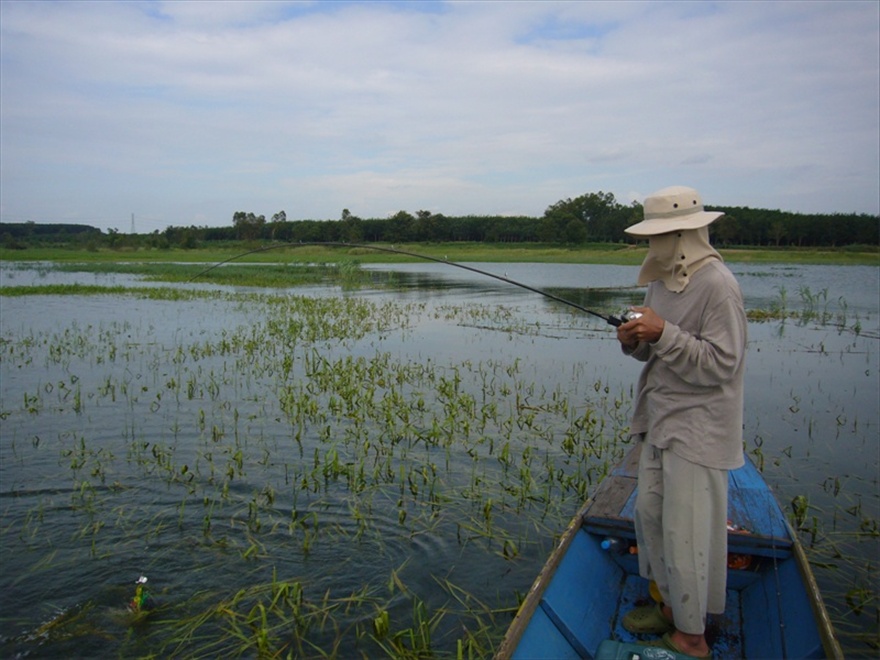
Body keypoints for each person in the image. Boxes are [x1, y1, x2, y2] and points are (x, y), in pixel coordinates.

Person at [616, 186, 747, 659]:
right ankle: (671, 608)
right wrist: (634, 340)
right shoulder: (660, 281)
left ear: (683, 233)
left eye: (660, 237)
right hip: (660, 418)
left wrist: (663, 333)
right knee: (651, 517)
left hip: (700, 429)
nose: (653, 247)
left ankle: (692, 639)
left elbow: (722, 365)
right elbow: (655, 350)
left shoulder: (718, 285)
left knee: (687, 533)